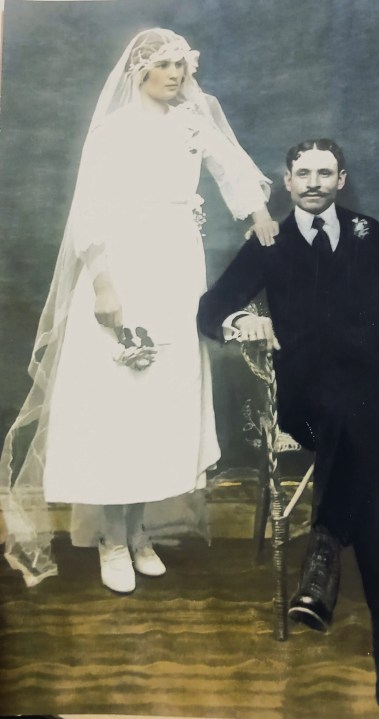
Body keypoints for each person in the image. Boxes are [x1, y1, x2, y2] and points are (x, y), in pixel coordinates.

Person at [197, 138, 379, 718]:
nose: (314, 182)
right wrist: (242, 319)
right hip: (306, 394)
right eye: (304, 173)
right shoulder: (269, 241)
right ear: (287, 182)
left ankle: (323, 552)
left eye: (326, 173)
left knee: (355, 413)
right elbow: (212, 306)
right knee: (358, 436)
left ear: (341, 180)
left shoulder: (367, 233)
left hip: (378, 382)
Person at [0, 28, 278, 593]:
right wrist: (104, 285)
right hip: (125, 270)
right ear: (139, 71)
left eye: (182, 65)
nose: (176, 75)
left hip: (176, 273)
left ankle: (139, 530)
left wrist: (259, 216)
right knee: (117, 404)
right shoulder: (115, 132)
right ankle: (111, 537)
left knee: (158, 404)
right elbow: (90, 212)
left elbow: (231, 167)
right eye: (164, 65)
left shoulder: (191, 122)